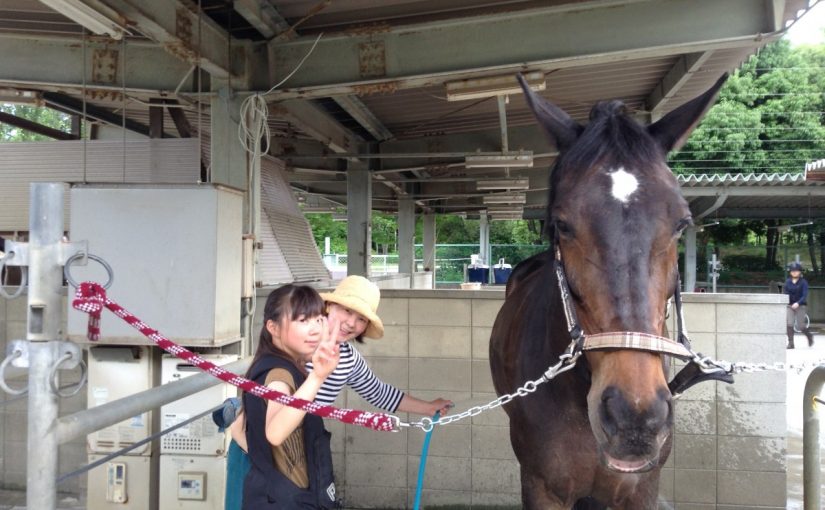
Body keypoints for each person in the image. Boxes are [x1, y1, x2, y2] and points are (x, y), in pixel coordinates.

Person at [225, 276, 454, 508]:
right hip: (257, 458)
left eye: (361, 319)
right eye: (346, 310)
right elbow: (250, 424)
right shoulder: (295, 346)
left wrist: (428, 407)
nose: (351, 323)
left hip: (299, 460)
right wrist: (267, 461)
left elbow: (379, 392)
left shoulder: (346, 357)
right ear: (328, 306)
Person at [240, 284, 340, 509]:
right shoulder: (279, 374)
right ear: (273, 327)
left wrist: (266, 464)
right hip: (286, 501)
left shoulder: (270, 364)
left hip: (268, 494)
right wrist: (317, 378)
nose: (314, 329)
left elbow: (238, 428)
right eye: (303, 320)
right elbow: (275, 433)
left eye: (318, 319)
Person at [784, 261, 815, 349]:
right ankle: (791, 343)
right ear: (790, 272)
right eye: (792, 271)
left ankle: (809, 336)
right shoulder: (787, 282)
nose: (794, 272)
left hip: (800, 305)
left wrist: (798, 303)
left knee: (801, 325)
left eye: (796, 271)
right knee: (789, 323)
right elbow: (785, 293)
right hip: (790, 305)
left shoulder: (803, 282)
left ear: (800, 272)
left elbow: (804, 295)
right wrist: (788, 303)